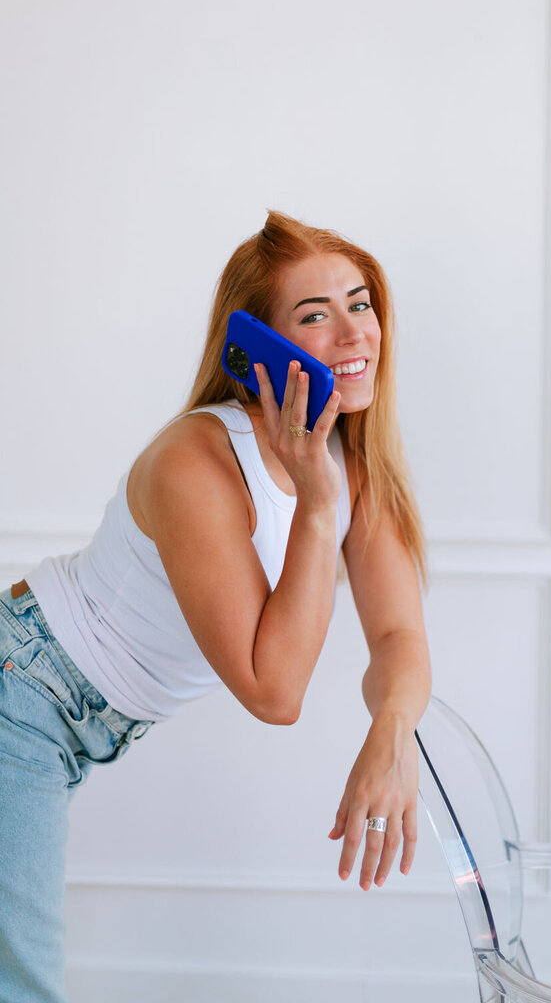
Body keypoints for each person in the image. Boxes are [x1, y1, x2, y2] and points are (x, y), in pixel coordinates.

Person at [0, 212, 431, 1003]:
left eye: (360, 301)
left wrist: (392, 729)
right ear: (256, 344)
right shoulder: (196, 461)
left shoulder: (348, 460)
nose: (352, 329)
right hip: (19, 695)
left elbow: (400, 635)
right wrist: (314, 504)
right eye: (314, 315)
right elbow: (274, 690)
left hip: (59, 720)